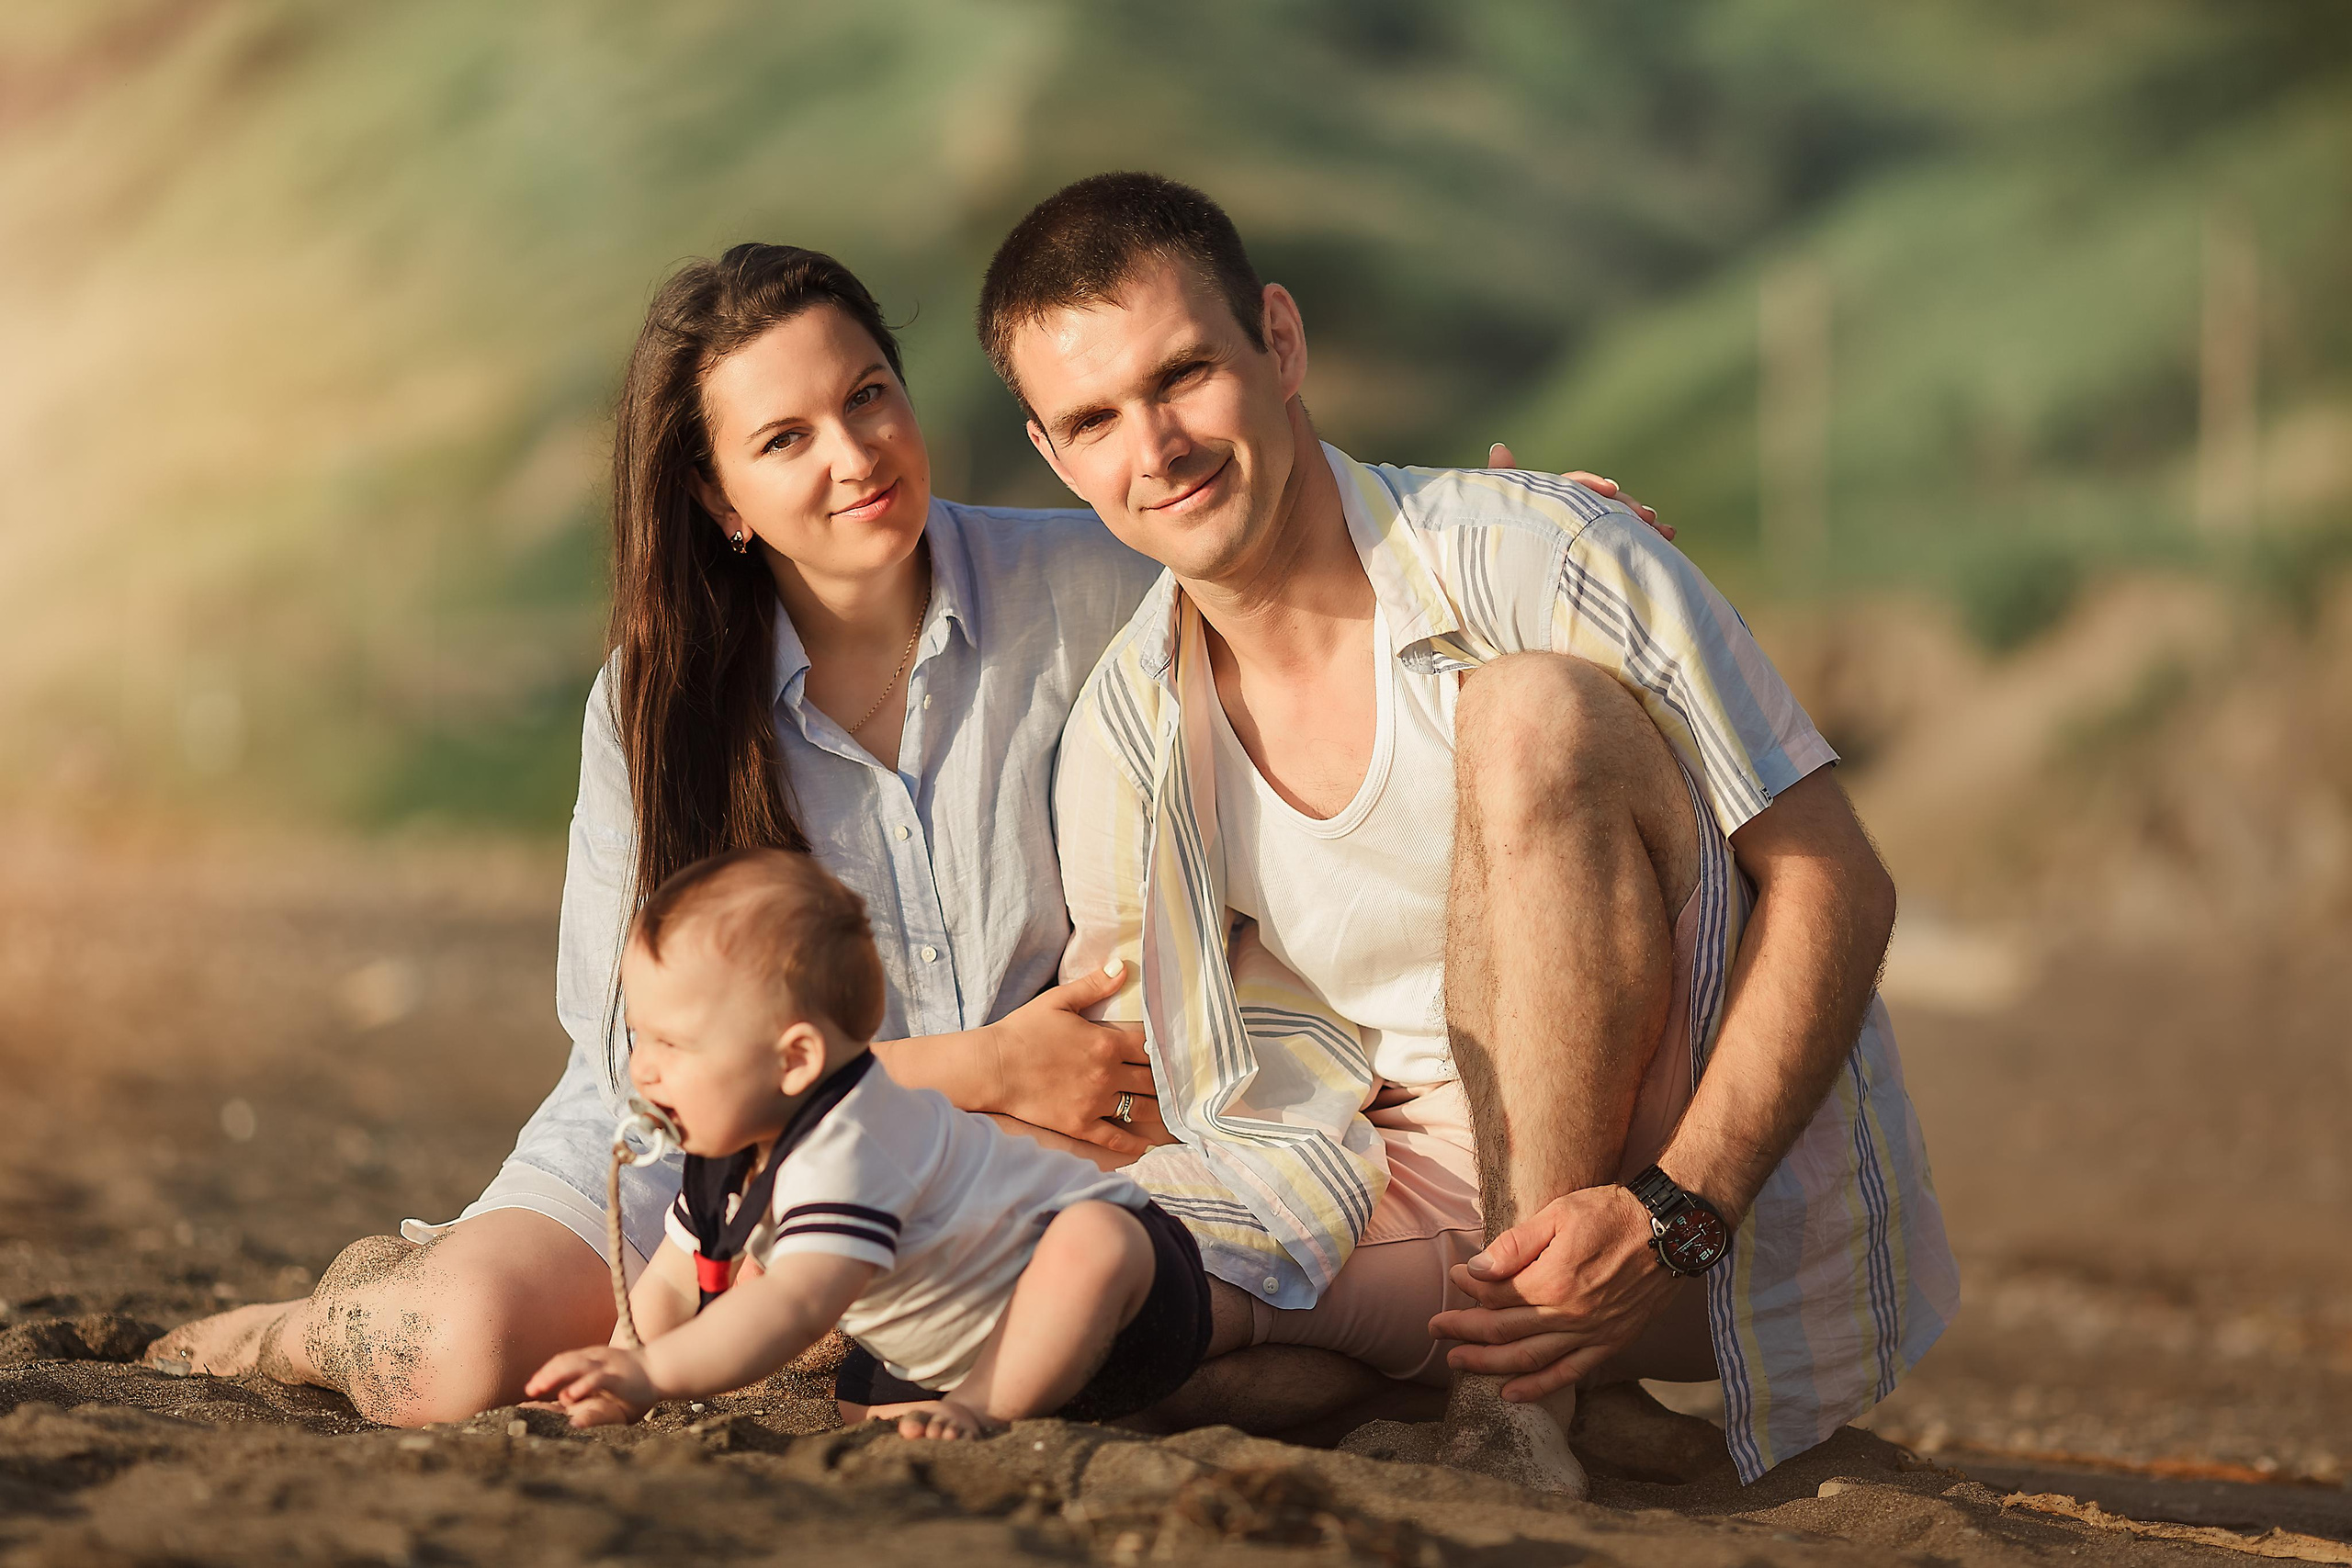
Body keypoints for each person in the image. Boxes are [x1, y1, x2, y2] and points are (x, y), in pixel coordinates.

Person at [143, 241, 1645, 1424]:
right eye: (784, 436)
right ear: (720, 498)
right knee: (456, 1361)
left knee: (1167, 1348)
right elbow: (637, 1067)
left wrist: (1486, 528)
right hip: (710, 1143)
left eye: (869, 394)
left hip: (1015, 1159)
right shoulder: (660, 704)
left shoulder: (1094, 588)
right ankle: (299, 1319)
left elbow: (1291, 535)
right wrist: (971, 1061)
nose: (854, 454)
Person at [979, 173, 1959, 1493]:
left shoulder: (1542, 555)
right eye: (1094, 417)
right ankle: (1471, 1391)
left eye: (1183, 374)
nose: (1154, 445)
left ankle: (1518, 1409)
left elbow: (1836, 877)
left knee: (1531, 710)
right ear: (1053, 454)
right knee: (1051, 1293)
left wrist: (1677, 1209)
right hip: (1382, 1190)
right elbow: (1134, 1064)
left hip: (1658, 1203)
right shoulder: (1126, 727)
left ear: (1278, 340)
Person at [526, 848, 1210, 1437]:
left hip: (1130, 1309)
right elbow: (677, 1280)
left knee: (1095, 1237)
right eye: (642, 1035)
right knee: (865, 1413)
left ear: (794, 1060)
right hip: (956, 1332)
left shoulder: (851, 1138)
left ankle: (989, 1405)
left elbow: (795, 1303)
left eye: (672, 1043)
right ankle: (996, 1400)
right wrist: (621, 1366)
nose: (643, 1067)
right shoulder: (723, 1153)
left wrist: (653, 1373)